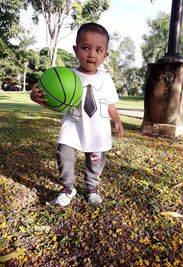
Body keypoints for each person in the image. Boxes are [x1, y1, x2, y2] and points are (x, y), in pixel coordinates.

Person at [30, 22, 124, 206]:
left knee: (95, 161)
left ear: (105, 55)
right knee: (64, 154)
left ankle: (91, 187)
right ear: (76, 50)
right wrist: (36, 98)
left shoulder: (105, 78)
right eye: (85, 48)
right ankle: (67, 187)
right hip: (73, 125)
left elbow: (110, 104)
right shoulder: (66, 75)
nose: (91, 54)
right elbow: (52, 102)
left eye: (98, 50)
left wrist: (117, 120)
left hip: (98, 128)